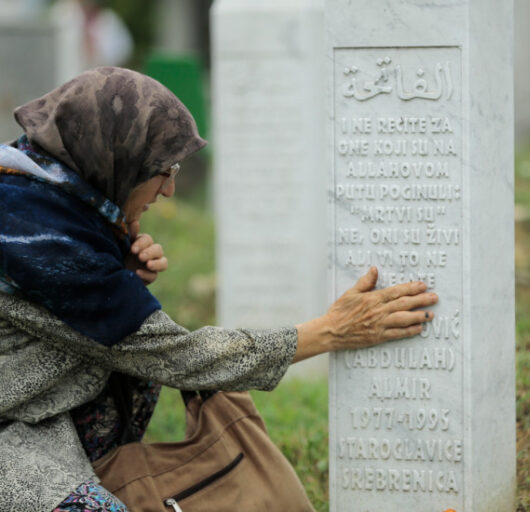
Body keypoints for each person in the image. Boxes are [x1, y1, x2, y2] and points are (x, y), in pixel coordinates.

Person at [0, 67, 438, 512]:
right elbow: (174, 355)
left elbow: (82, 322)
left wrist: (119, 275)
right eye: (164, 170)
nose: (170, 189)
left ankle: (109, 480)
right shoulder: (35, 236)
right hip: (11, 432)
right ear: (118, 158)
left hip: (34, 416)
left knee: (134, 359)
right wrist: (330, 331)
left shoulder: (38, 194)